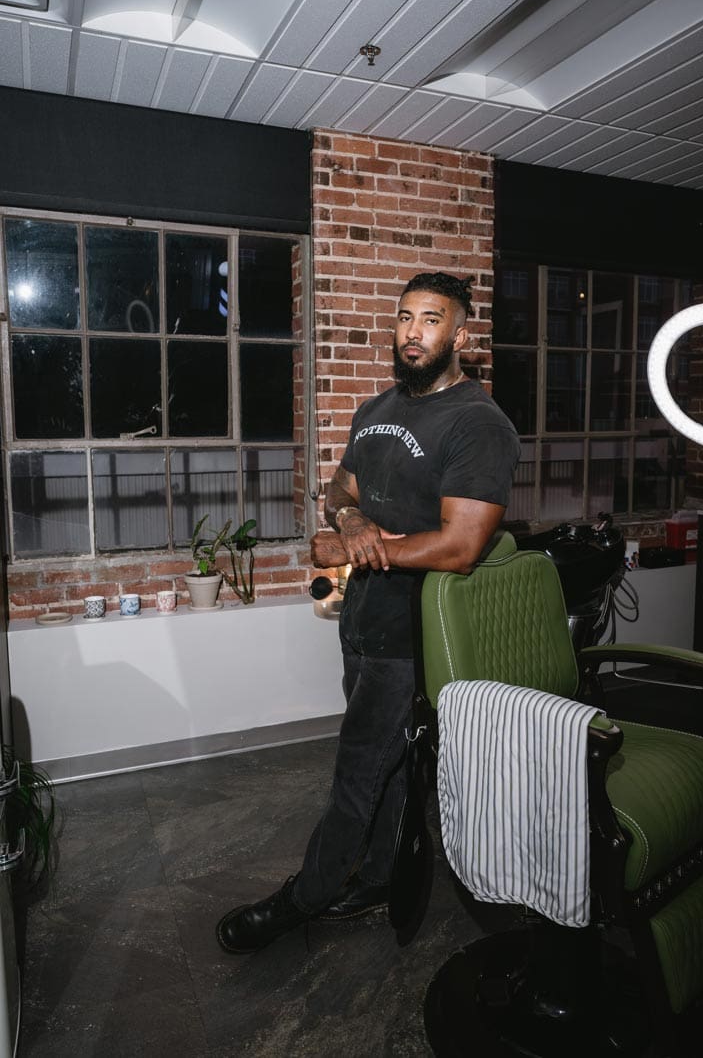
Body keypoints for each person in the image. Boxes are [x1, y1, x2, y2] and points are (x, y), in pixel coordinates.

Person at [216, 271, 520, 954]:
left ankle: (306, 896)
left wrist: (362, 546)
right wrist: (351, 520)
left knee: (356, 771)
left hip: (416, 635)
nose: (413, 331)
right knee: (387, 763)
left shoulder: (478, 424)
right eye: (405, 317)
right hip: (363, 620)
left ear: (460, 335)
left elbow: (462, 546)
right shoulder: (377, 408)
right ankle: (381, 876)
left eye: (432, 320)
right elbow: (339, 490)